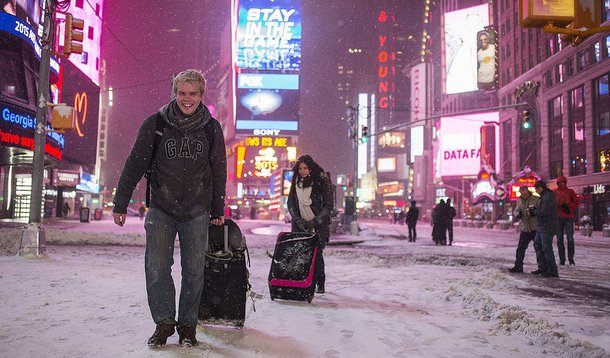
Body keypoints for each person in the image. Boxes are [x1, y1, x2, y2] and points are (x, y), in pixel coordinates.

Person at [111, 69, 227, 348]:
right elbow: (134, 164)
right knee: (157, 268)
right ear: (175, 93)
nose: (187, 99)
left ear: (201, 95)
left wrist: (217, 209)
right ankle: (164, 322)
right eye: (182, 93)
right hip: (161, 209)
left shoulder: (211, 129)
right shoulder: (155, 124)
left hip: (197, 211)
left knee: (195, 271)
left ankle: (187, 326)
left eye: (193, 94)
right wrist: (120, 202)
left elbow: (218, 170)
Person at [287, 155, 334, 294]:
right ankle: (303, 281)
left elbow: (328, 205)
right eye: (300, 168)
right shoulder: (295, 182)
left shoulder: (320, 181)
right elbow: (290, 203)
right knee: (301, 253)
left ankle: (320, 283)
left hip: (318, 225)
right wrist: (298, 220)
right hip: (300, 225)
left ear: (310, 168)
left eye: (305, 168)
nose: (302, 171)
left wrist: (315, 221)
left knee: (317, 254)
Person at [508, 186, 541, 273]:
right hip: (525, 228)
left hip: (535, 228)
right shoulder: (519, 200)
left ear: (528, 192)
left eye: (526, 194)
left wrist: (535, 212)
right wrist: (518, 214)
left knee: (539, 248)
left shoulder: (536, 199)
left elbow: (541, 210)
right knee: (520, 248)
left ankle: (542, 267)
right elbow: (516, 210)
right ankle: (518, 266)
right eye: (522, 194)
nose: (524, 196)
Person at [531, 180, 559, 278]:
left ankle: (552, 270)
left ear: (540, 188)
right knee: (538, 244)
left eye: (536, 189)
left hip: (547, 226)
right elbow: (543, 210)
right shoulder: (544, 196)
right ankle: (543, 267)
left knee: (546, 248)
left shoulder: (547, 197)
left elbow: (545, 211)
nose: (536, 191)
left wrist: (534, 211)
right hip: (543, 226)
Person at [554, 176, 579, 265]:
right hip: (559, 218)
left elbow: (576, 202)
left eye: (563, 182)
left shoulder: (570, 192)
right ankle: (562, 259)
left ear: (565, 183)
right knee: (560, 239)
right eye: (560, 183)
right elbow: (552, 203)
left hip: (568, 217)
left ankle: (570, 259)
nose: (561, 184)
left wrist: (568, 206)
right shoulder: (555, 192)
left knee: (570, 238)